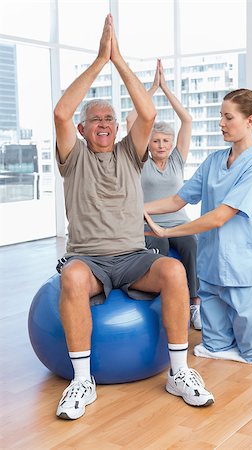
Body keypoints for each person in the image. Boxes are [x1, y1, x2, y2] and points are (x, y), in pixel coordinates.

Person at [53, 14, 214, 420]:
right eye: (95, 120)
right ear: (83, 129)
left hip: (132, 254)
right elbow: (60, 113)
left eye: (109, 118)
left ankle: (180, 373)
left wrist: (119, 61)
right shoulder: (73, 158)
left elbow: (147, 114)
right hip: (89, 259)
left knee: (175, 271)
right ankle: (82, 381)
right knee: (71, 277)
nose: (104, 124)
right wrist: (98, 60)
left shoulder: (130, 152)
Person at [144, 88, 252, 369]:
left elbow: (219, 217)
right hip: (212, 269)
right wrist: (139, 209)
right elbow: (178, 199)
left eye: (229, 117)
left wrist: (167, 232)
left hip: (246, 270)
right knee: (215, 345)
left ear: (249, 121)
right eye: (221, 116)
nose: (221, 123)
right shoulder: (214, 161)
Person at [126, 59, 201, 330]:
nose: (160, 145)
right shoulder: (139, 159)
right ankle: (162, 306)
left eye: (165, 141)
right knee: (163, 250)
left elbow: (187, 120)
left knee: (191, 245)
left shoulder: (177, 160)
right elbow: (132, 119)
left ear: (171, 144)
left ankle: (194, 304)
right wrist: (152, 88)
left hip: (179, 224)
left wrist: (167, 89)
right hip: (148, 224)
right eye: (155, 140)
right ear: (149, 142)